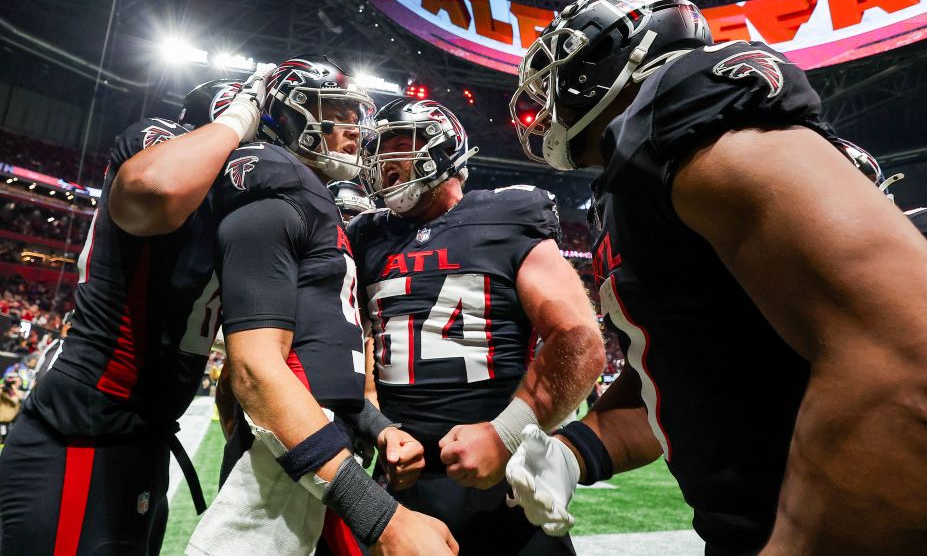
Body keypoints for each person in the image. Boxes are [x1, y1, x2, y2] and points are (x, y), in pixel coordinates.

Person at [504, 0, 927, 554]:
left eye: (559, 69)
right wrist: (574, 450)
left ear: (613, 57)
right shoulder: (639, 177)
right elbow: (683, 371)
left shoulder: (685, 112)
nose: (546, 100)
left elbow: (906, 347)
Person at [180, 57, 454, 556]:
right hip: (288, 445)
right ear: (290, 114)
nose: (356, 132)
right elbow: (256, 371)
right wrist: (381, 518)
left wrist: (378, 427)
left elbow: (329, 365)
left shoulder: (311, 198)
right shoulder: (274, 177)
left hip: (319, 444)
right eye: (340, 115)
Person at [0, 64, 277, 554]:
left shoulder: (239, 211)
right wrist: (237, 121)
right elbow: (156, 190)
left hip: (140, 433)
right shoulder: (162, 140)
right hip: (88, 429)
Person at [349, 98, 605, 555]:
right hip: (400, 483)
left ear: (442, 150)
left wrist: (503, 435)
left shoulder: (506, 216)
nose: (382, 162)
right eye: (376, 149)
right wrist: (380, 429)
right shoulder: (368, 236)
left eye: (396, 145)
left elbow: (579, 341)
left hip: (500, 480)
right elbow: (361, 357)